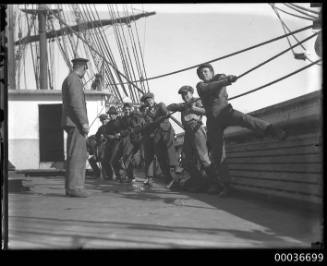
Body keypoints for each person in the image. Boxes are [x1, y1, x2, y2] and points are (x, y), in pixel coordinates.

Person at [196, 63, 287, 196]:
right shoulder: (201, 86)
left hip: (226, 112)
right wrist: (225, 81)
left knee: (246, 119)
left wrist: (225, 80)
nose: (204, 75)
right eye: (201, 73)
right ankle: (226, 186)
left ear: (211, 72)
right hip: (212, 121)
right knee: (218, 153)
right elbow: (209, 88)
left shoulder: (220, 78)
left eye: (206, 72)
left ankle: (273, 130)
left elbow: (219, 86)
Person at [167, 86, 211, 192]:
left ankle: (214, 183)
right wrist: (181, 106)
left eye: (186, 94)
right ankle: (199, 181)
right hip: (188, 132)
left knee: (203, 158)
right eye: (182, 95)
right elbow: (170, 106)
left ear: (191, 93)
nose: (184, 96)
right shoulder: (183, 105)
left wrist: (193, 108)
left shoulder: (197, 101)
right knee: (186, 159)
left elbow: (206, 111)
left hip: (197, 129)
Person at [61, 57, 90, 198]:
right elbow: (76, 103)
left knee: (75, 155)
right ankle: (75, 188)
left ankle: (72, 187)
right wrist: (84, 122)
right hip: (76, 124)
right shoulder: (74, 80)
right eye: (86, 68)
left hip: (72, 123)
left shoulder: (69, 79)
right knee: (78, 156)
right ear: (84, 67)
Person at [141, 92, 182, 186]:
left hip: (166, 131)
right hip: (156, 135)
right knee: (160, 157)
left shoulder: (160, 105)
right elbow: (149, 124)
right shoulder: (146, 113)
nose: (149, 102)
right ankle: (168, 179)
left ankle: (176, 167)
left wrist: (165, 114)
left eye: (150, 99)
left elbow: (165, 112)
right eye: (147, 101)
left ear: (153, 99)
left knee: (169, 149)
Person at [116, 102, 145, 182]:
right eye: (125, 110)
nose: (127, 111)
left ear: (131, 109)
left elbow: (135, 127)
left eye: (128, 109)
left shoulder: (135, 117)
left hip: (137, 139)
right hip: (128, 140)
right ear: (123, 110)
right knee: (126, 157)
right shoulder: (123, 119)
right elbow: (120, 128)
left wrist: (122, 133)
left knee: (137, 157)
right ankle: (130, 176)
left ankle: (132, 176)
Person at [103, 106, 122, 180]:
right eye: (110, 114)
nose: (111, 115)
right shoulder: (109, 123)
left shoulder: (120, 122)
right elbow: (105, 133)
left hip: (118, 142)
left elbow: (124, 131)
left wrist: (118, 135)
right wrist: (109, 136)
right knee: (105, 161)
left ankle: (119, 175)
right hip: (110, 142)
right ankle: (109, 175)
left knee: (114, 159)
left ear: (116, 114)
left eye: (113, 114)